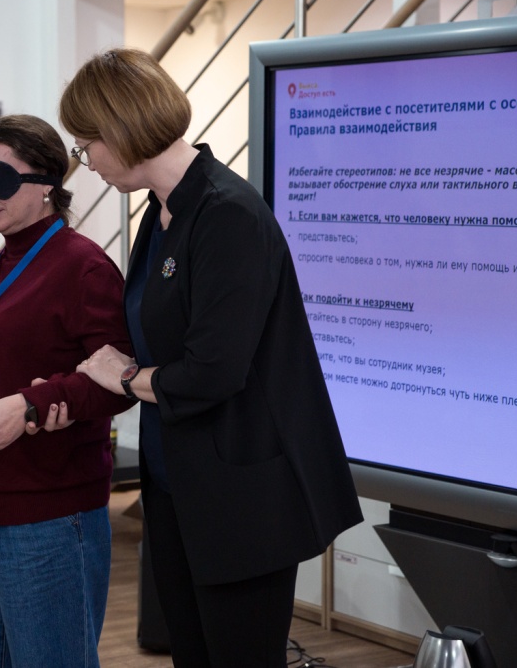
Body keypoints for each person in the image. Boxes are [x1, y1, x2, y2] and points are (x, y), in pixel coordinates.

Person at [59, 48, 364, 667]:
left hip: (241, 496)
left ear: (120, 129)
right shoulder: (161, 211)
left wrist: (125, 377)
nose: (87, 163)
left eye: (87, 147)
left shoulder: (227, 214)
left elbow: (213, 372)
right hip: (179, 484)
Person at [0, 114, 135, 668]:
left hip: (46, 515)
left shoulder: (85, 269)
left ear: (46, 185)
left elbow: (118, 383)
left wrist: (32, 406)